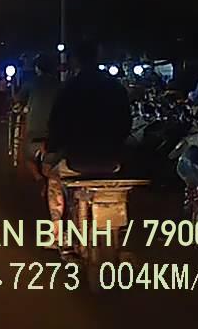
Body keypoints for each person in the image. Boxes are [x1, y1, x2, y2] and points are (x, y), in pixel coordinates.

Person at [43, 41, 132, 252]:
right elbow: (126, 123)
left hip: (77, 160)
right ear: (98, 57)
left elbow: (57, 125)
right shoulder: (115, 87)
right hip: (112, 161)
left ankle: (57, 234)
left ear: (75, 61)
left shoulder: (69, 88)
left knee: (53, 180)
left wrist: (51, 148)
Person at [24, 52, 62, 184]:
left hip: (35, 131)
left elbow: (18, 99)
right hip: (56, 132)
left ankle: (38, 178)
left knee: (28, 158)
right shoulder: (59, 84)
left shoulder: (31, 83)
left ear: (37, 68)